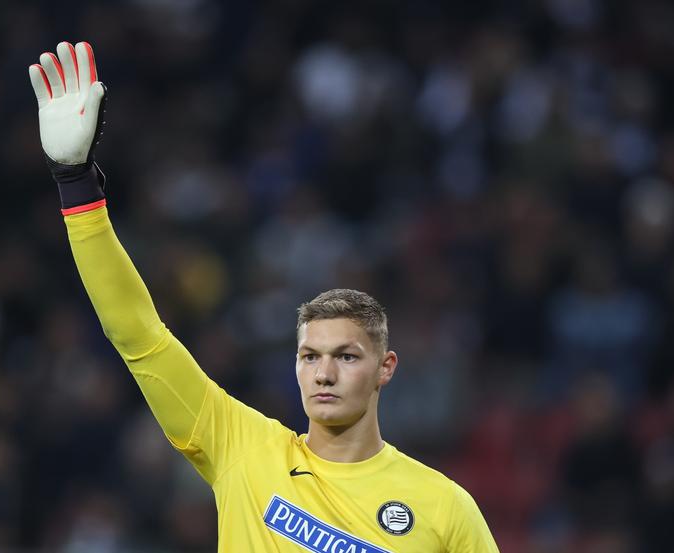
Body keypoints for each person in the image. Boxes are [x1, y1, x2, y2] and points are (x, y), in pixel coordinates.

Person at [28, 40, 499, 552]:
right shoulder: (239, 446)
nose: (324, 373)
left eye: (346, 356)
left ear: (385, 367)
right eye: (310, 357)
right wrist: (75, 183)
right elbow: (137, 334)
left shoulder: (445, 508)